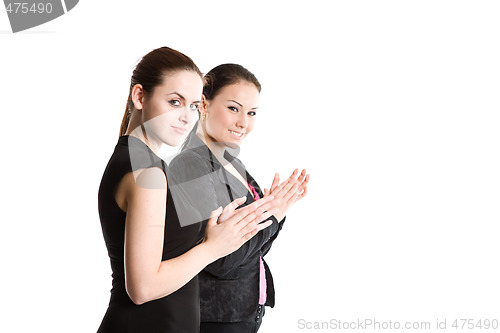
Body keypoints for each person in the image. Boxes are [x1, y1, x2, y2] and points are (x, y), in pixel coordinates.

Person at [96, 48, 277, 333]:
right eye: (174, 101)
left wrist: (216, 230)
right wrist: (213, 248)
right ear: (140, 96)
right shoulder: (148, 174)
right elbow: (142, 288)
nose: (186, 117)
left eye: (193, 105)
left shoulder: (138, 161)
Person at [169, 63, 310, 332]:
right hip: (217, 319)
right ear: (203, 105)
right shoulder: (191, 165)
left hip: (243, 312)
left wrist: (271, 213)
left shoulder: (231, 161)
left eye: (252, 112)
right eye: (233, 108)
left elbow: (254, 248)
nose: (243, 123)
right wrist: (272, 214)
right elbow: (221, 260)